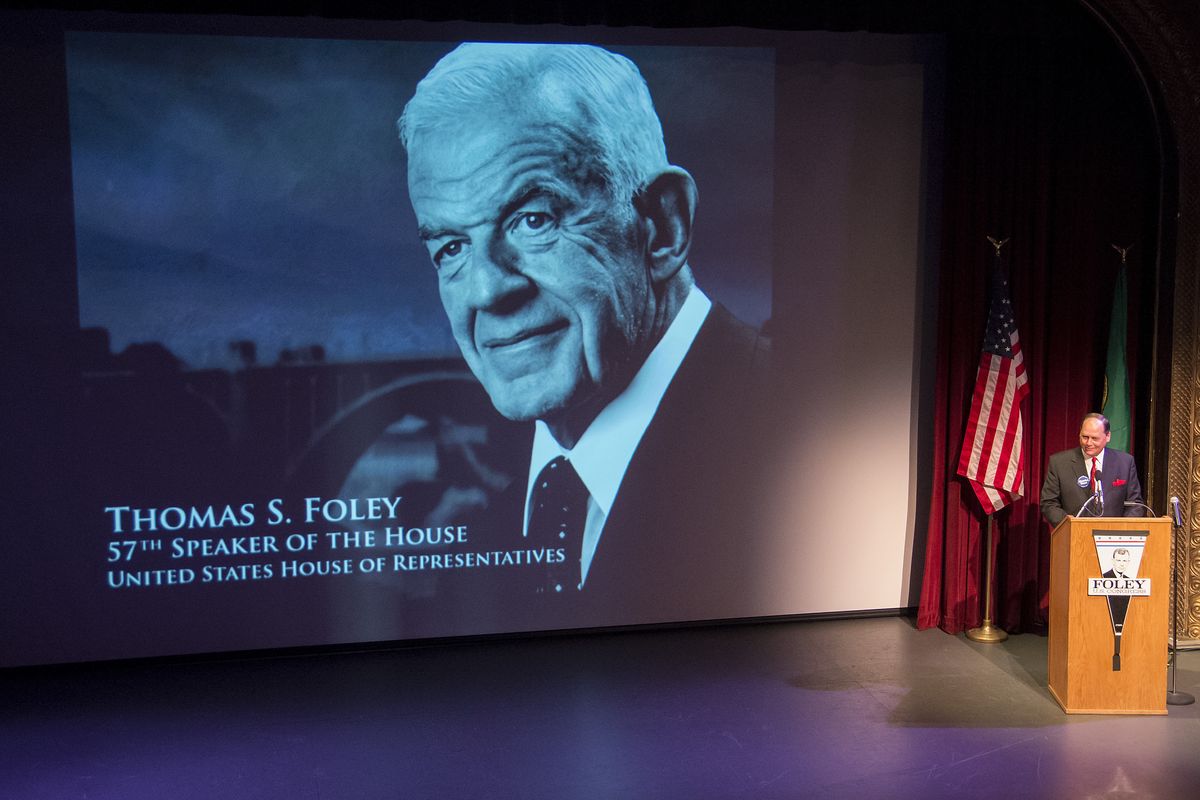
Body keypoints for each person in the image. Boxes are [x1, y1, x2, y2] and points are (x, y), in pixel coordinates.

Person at [398, 43, 771, 617]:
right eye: (450, 248)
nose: (486, 291)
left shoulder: (788, 437)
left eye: (533, 219)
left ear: (663, 227)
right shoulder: (501, 501)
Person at [1040, 412, 1145, 526]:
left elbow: (1135, 504)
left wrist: (1121, 528)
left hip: (1113, 537)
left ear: (1108, 436)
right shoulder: (1059, 463)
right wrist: (1070, 525)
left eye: (1094, 438)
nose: (1088, 443)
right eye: (1085, 437)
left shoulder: (1125, 463)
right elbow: (1049, 503)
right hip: (1074, 536)